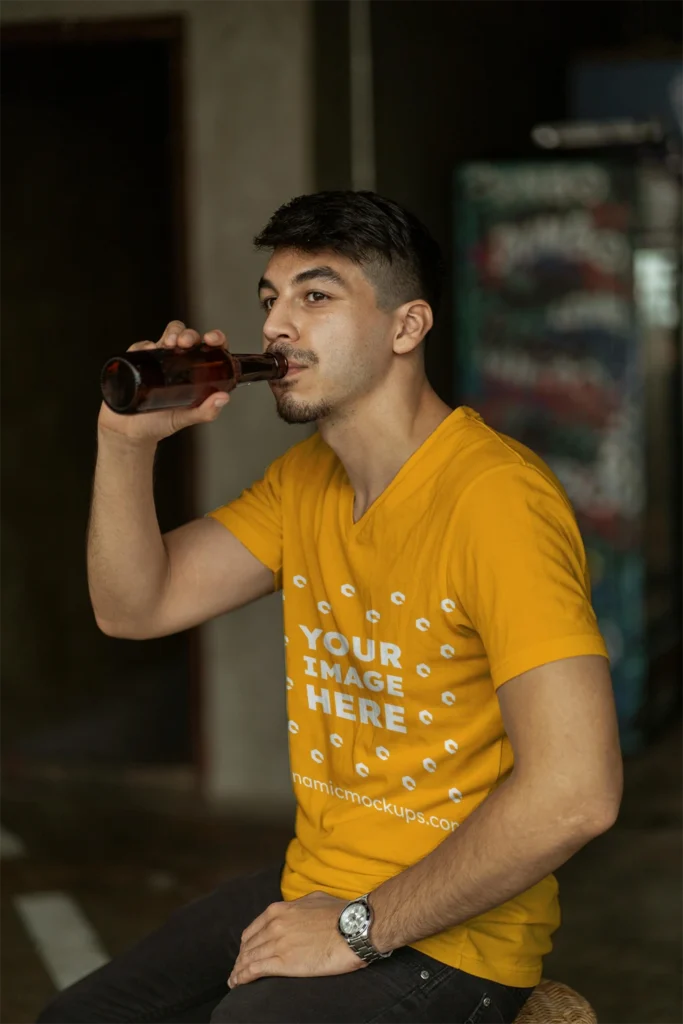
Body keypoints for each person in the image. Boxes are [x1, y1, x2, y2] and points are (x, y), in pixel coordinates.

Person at [42, 191, 622, 1024]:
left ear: (406, 327)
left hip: (451, 940)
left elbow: (576, 793)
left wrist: (358, 930)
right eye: (269, 300)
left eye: (316, 296)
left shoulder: (495, 503)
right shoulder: (304, 483)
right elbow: (136, 606)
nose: (278, 325)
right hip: (312, 884)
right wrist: (125, 444)